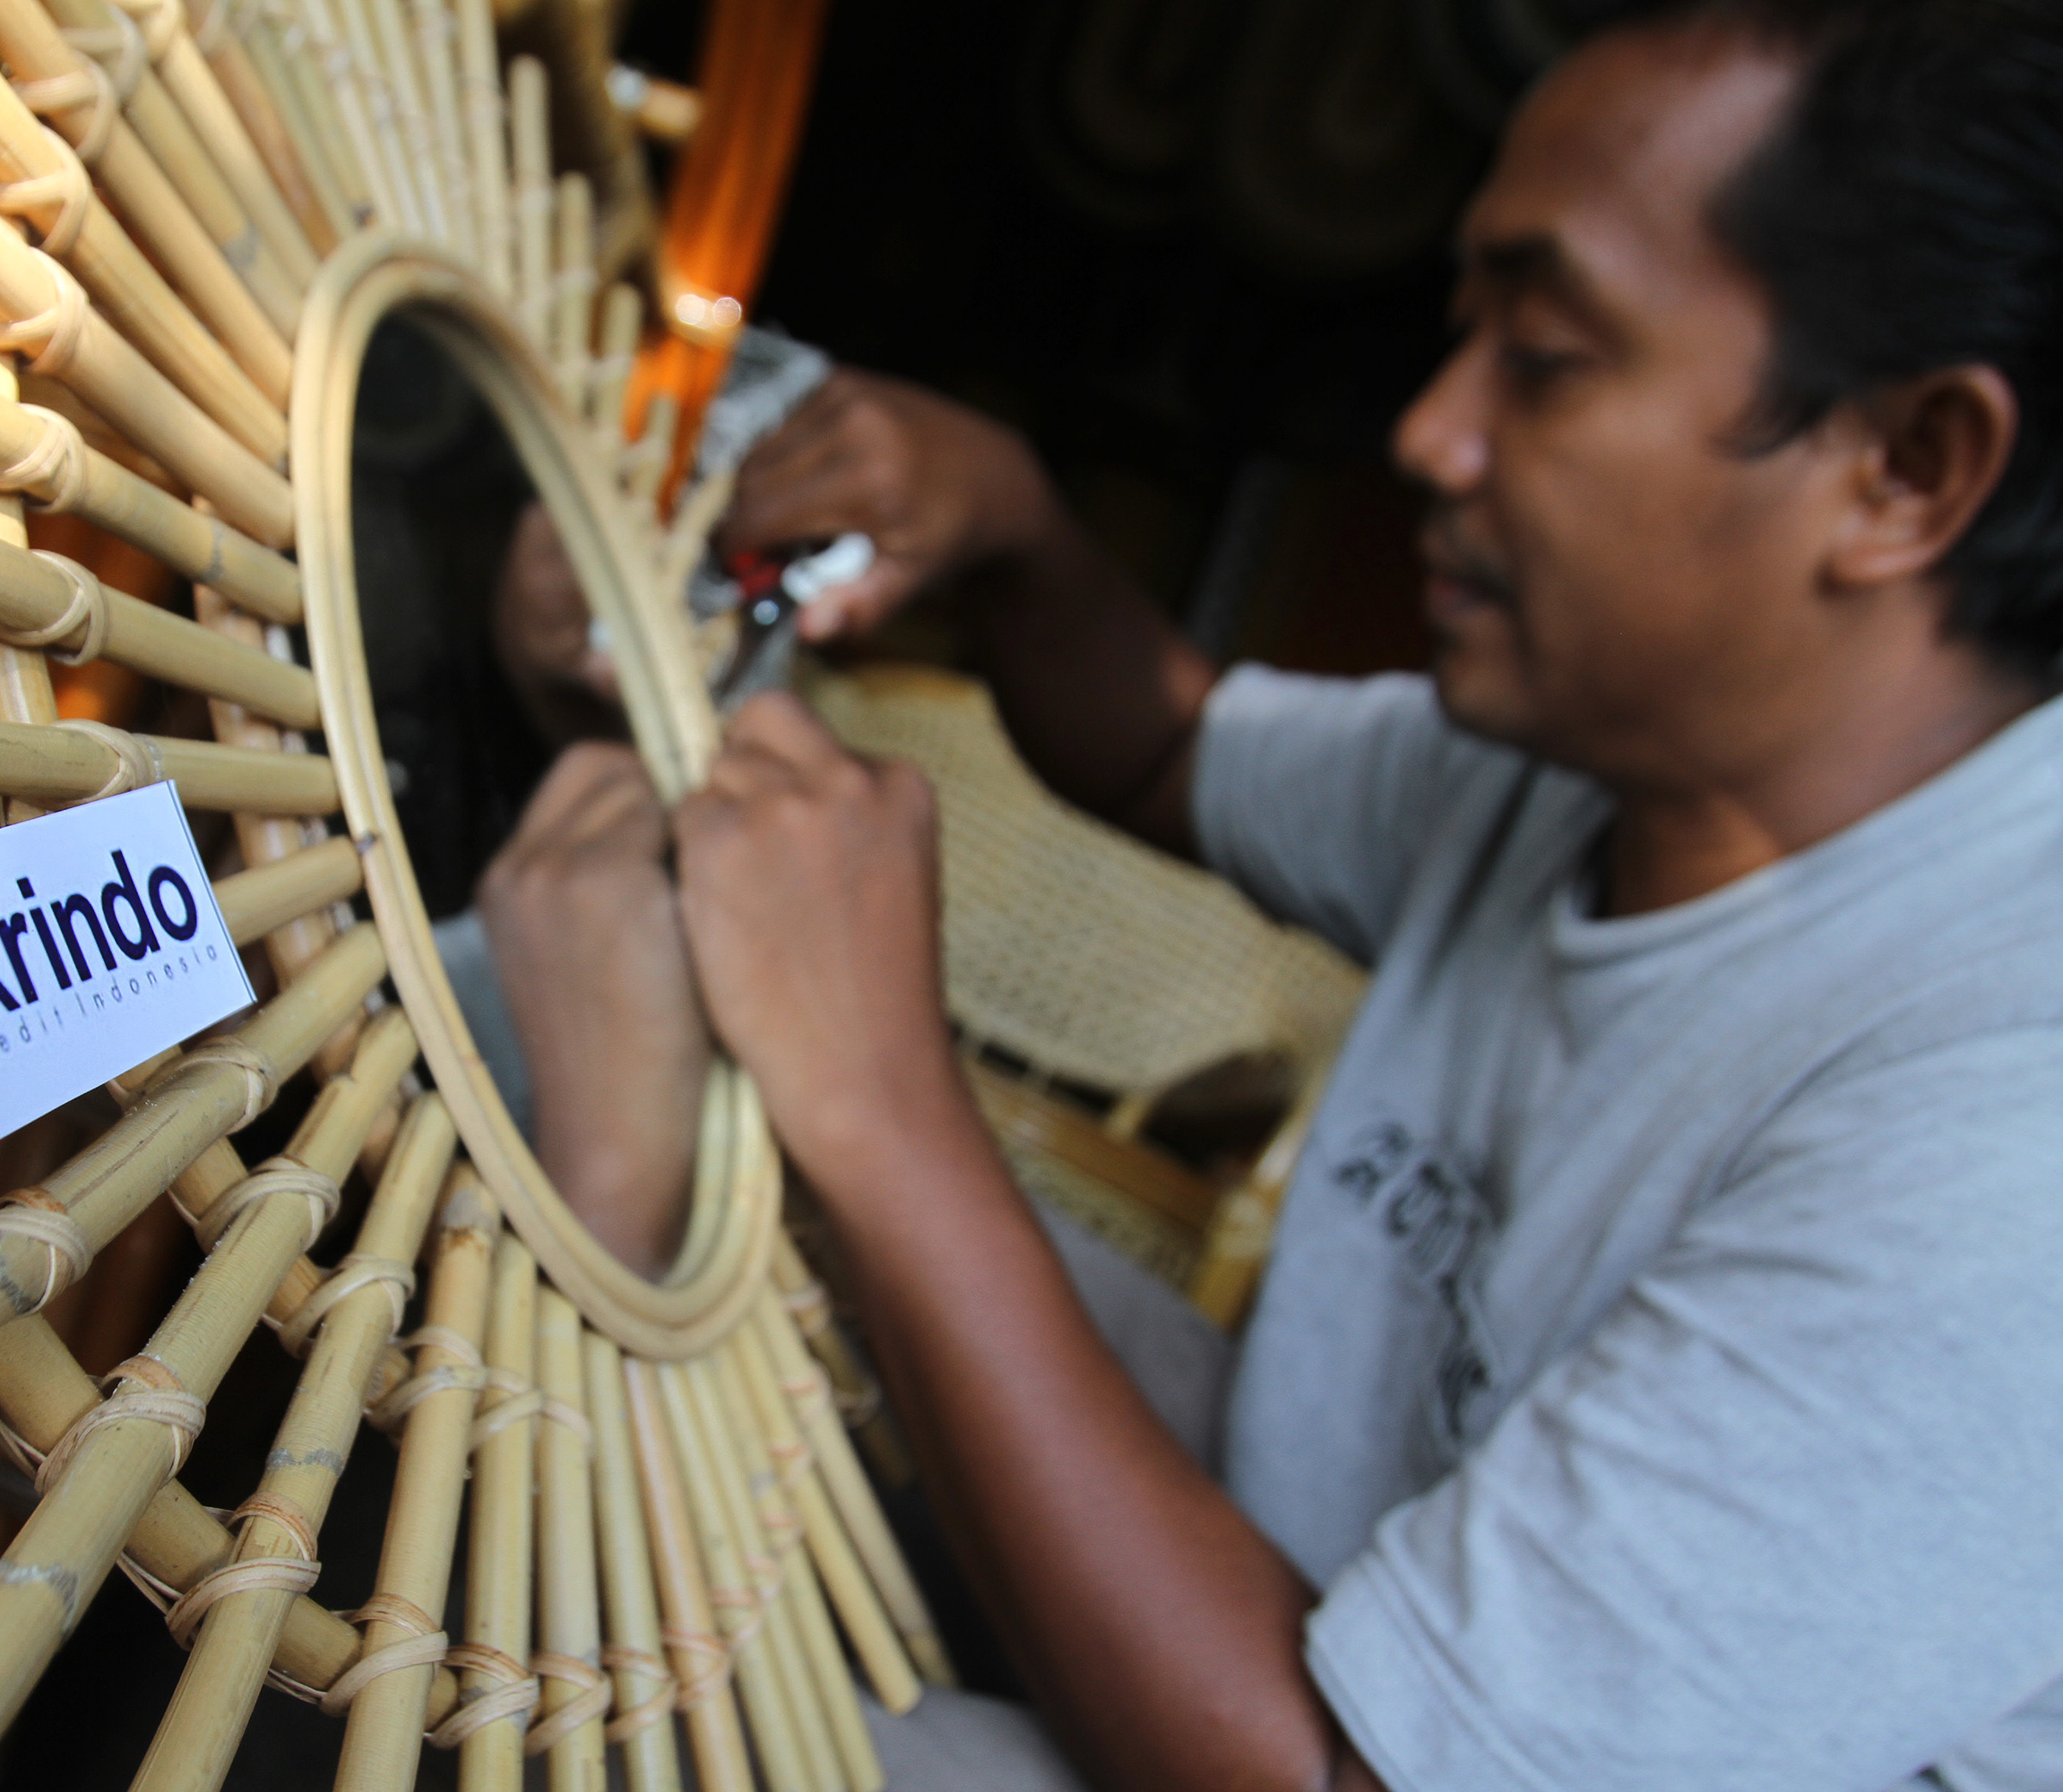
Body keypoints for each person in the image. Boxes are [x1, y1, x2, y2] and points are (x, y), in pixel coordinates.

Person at [484, 1, 2063, 1785]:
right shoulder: (1602, 767)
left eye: (1544, 355)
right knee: (510, 1010)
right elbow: (1174, 750)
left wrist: (876, 1093)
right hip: (1327, 1578)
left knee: (602, 1740)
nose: (1430, 432)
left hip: (1342, 1750)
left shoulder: (2009, 1123)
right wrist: (1019, 536)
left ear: (1907, 468)